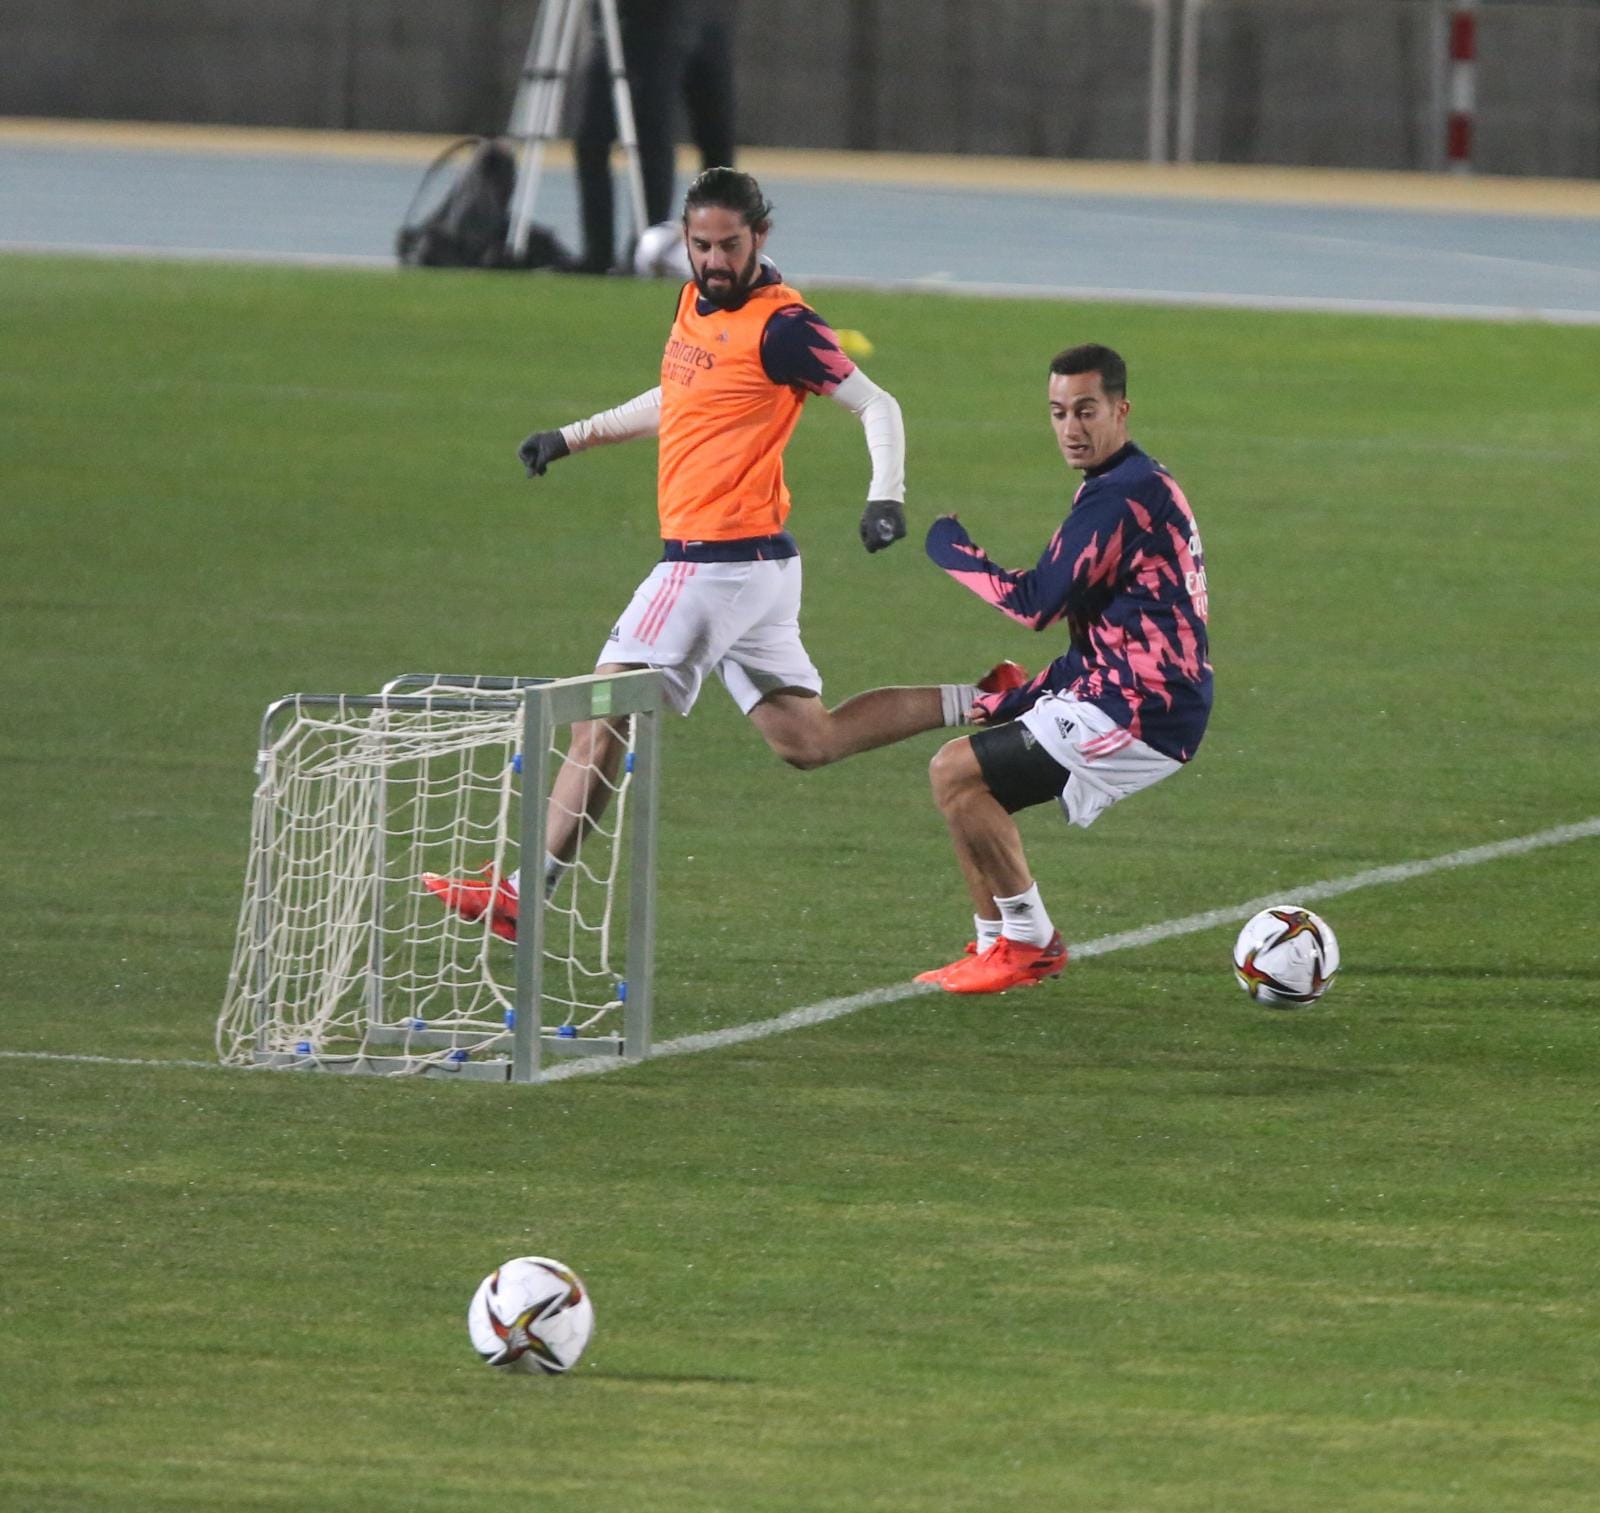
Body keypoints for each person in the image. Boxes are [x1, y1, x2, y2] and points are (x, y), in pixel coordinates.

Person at [423, 167, 1022, 941]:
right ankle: (988, 700)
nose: (713, 260)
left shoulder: (784, 326)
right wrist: (574, 436)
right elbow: (679, 397)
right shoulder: (694, 301)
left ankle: (521, 892)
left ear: (760, 237)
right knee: (809, 739)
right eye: (700, 245)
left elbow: (878, 404)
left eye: (728, 245)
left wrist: (886, 495)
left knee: (601, 714)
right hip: (759, 569)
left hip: (714, 563)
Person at [915, 343, 1212, 995]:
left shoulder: (1121, 500)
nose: (1071, 429)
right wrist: (1030, 695)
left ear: (1120, 409)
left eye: (1086, 410)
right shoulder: (1124, 487)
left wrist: (949, 548)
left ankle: (1033, 942)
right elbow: (1097, 633)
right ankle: (996, 944)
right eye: (1057, 413)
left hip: (1145, 712)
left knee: (957, 769)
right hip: (1116, 689)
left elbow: (1034, 604)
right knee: (962, 784)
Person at [572, 0, 737, 274]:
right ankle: (598, 254)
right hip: (614, 22)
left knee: (661, 136)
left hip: (671, 18)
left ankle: (649, 250)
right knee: (591, 139)